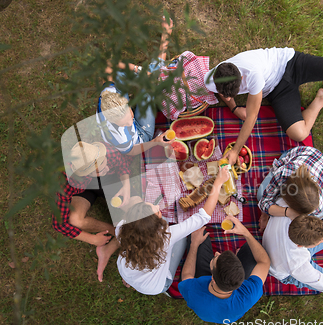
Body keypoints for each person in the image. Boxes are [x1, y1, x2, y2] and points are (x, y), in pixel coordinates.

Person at [204, 47, 323, 165]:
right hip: (278, 91)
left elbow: (251, 118)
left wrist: (236, 150)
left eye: (233, 94)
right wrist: (234, 108)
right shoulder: (211, 79)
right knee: (299, 134)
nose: (228, 97)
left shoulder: (253, 75)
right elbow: (224, 94)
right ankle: (321, 99)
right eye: (225, 94)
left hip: (291, 62)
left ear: (242, 77)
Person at [116, 167, 230, 295]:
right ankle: (163, 286)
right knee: (181, 240)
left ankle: (129, 280)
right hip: (156, 286)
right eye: (157, 211)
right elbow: (203, 217)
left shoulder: (121, 227)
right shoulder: (166, 237)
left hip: (127, 272)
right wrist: (218, 182)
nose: (158, 206)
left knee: (140, 203)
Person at [53, 141, 131, 282]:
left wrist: (126, 185)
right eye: (101, 169)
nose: (106, 167)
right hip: (83, 190)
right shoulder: (64, 181)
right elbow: (60, 223)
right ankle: (117, 232)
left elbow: (123, 163)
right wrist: (92, 239)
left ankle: (123, 235)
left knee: (131, 207)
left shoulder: (106, 152)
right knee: (75, 220)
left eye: (104, 162)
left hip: (108, 182)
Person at [96, 17, 174, 156]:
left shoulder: (109, 93)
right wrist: (155, 141)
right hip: (140, 136)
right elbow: (132, 151)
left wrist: (139, 70)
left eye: (130, 116)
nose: (130, 122)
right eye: (125, 124)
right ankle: (165, 36)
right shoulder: (118, 138)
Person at [179, 215, 270, 324]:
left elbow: (186, 275)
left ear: (212, 278)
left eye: (215, 258)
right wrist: (245, 232)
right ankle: (236, 258)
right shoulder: (250, 293)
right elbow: (264, 261)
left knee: (198, 234)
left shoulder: (193, 292)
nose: (217, 252)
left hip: (207, 295)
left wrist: (194, 244)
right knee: (255, 249)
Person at [257, 146, 323, 232]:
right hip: (303, 153)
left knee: (315, 217)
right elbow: (264, 201)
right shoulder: (283, 173)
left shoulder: (319, 204)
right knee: (260, 194)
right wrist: (267, 216)